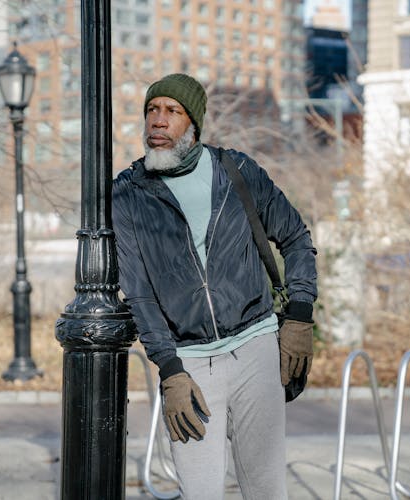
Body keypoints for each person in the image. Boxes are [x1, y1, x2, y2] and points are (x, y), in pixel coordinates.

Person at [112, 73, 317, 499]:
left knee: (266, 490)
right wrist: (169, 370)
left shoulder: (235, 170)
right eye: (152, 110)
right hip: (190, 364)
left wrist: (299, 316)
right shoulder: (129, 195)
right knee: (201, 492)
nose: (158, 122)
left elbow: (295, 238)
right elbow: (139, 292)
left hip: (257, 349)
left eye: (172, 111)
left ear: (194, 124)